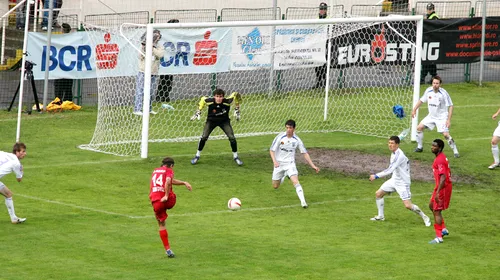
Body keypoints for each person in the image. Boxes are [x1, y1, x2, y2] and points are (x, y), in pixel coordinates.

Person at [369, 136, 431, 226]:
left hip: (403, 183)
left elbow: (390, 170)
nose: (390, 145)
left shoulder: (399, 155)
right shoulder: (394, 153)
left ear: (397, 145)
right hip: (394, 180)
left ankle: (425, 217)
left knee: (408, 205)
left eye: (392, 143)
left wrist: (376, 176)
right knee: (378, 194)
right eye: (389, 143)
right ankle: (380, 216)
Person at [270, 119, 320, 208]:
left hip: (290, 164)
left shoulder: (297, 140)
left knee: (295, 182)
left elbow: (304, 153)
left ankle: (303, 202)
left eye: (290, 128)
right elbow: (272, 150)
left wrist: (313, 166)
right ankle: (284, 175)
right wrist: (274, 161)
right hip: (279, 164)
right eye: (287, 128)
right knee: (275, 186)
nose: (288, 130)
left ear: (294, 128)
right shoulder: (280, 137)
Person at [149, 157, 192, 257]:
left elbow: (169, 181)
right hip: (168, 201)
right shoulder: (169, 170)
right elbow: (168, 181)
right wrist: (166, 196)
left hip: (155, 201)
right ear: (171, 165)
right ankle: (169, 198)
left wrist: (183, 182)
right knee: (172, 195)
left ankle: (168, 250)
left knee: (161, 224)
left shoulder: (155, 171)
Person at [189, 89, 243, 166]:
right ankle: (197, 156)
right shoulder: (209, 101)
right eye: (217, 96)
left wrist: (237, 108)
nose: (218, 98)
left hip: (224, 122)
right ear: (214, 96)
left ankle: (236, 157)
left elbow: (235, 94)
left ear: (223, 97)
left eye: (220, 97)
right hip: (211, 121)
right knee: (204, 137)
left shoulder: (227, 102)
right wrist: (199, 111)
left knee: (232, 138)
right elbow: (203, 99)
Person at [411, 76, 459, 157]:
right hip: (431, 116)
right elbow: (421, 100)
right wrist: (414, 109)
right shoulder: (428, 91)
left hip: (442, 117)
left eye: (437, 83)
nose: (435, 85)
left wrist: (448, 120)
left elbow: (451, 106)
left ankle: (455, 151)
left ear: (440, 84)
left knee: (446, 135)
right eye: (434, 83)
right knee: (419, 128)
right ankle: (419, 147)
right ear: (432, 83)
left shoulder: (443, 93)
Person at [133, 29, 165, 116]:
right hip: (143, 71)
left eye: (158, 36)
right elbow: (140, 56)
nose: (157, 38)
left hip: (153, 72)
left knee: (150, 92)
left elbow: (160, 55)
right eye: (155, 36)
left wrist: (151, 47)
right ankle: (137, 109)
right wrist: (144, 47)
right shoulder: (143, 45)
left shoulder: (159, 46)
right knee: (140, 90)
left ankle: (149, 109)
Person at [428, 139, 452, 244]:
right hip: (439, 186)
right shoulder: (440, 157)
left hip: (442, 187)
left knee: (437, 210)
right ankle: (443, 229)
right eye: (432, 145)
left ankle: (439, 237)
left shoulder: (440, 160)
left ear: (440, 148)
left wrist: (438, 192)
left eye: (435, 146)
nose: (432, 147)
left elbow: (443, 177)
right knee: (431, 205)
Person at [0, 143, 27, 224]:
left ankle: (14, 218)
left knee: (8, 194)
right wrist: (21, 170)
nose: (25, 153)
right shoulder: (16, 163)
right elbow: (19, 179)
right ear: (17, 152)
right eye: (23, 151)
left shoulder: (3, 153)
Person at [156, 19, 179, 103]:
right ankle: (160, 95)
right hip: (164, 59)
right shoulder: (165, 34)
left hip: (172, 59)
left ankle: (166, 95)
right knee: (164, 77)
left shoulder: (176, 35)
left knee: (169, 78)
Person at [420, 3, 439, 84]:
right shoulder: (429, 17)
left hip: (431, 41)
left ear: (433, 9)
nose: (428, 10)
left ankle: (422, 78)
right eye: (428, 9)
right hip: (429, 41)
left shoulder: (434, 17)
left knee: (427, 61)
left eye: (430, 9)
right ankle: (433, 77)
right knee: (430, 61)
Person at [54, 23, 73, 101]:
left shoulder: (58, 40)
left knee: (59, 86)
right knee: (68, 86)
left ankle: (58, 101)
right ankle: (68, 101)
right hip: (69, 66)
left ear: (62, 30)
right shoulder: (73, 39)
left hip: (59, 66)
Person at [314, 2, 328, 89]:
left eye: (324, 9)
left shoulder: (329, 19)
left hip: (325, 43)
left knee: (324, 63)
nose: (322, 11)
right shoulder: (316, 19)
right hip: (317, 44)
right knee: (317, 63)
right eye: (321, 9)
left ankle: (324, 82)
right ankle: (318, 82)